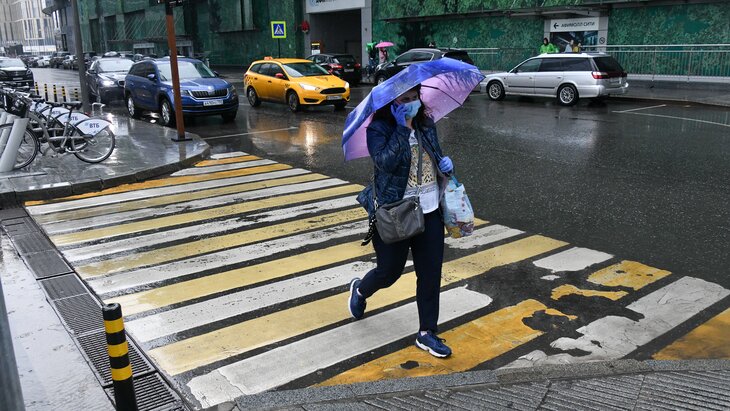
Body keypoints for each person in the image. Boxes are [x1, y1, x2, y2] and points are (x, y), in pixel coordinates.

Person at [349, 85, 455, 358]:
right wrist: (401, 129)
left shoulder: (426, 124)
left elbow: (433, 157)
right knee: (389, 271)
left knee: (430, 275)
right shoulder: (379, 129)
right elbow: (385, 163)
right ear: (392, 104)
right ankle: (361, 290)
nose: (410, 104)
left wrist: (445, 165)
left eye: (414, 98)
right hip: (395, 212)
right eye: (403, 100)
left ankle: (427, 332)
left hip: (429, 210)